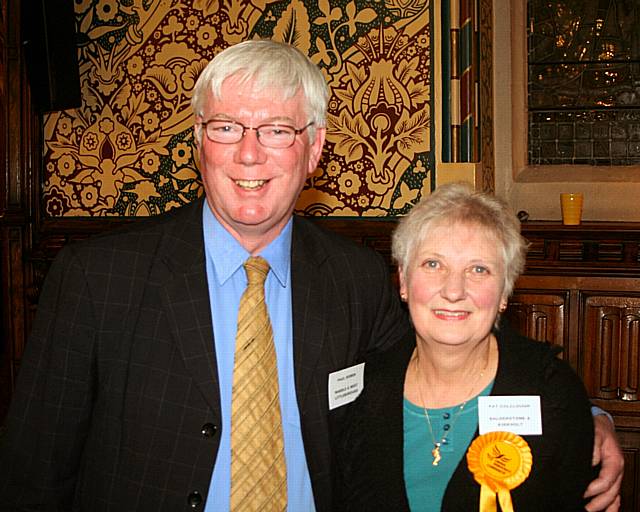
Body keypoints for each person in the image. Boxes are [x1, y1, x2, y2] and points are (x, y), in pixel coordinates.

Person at [0, 41, 623, 511]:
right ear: (198, 140)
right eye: (226, 128)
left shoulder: (354, 278)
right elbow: (32, 472)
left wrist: (582, 414)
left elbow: (450, 344)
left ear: (315, 148)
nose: (250, 153)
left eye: (276, 130)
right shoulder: (96, 279)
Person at [332, 182, 618, 511]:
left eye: (478, 269)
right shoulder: (365, 389)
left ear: (505, 294)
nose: (454, 291)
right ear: (404, 281)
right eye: (433, 264)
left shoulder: (552, 394)